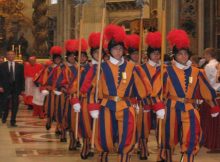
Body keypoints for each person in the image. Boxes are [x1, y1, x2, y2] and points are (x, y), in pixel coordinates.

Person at [78, 24, 161, 162]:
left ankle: (124, 158)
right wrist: (93, 106)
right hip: (106, 105)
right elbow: (92, 89)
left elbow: (143, 88)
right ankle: (103, 156)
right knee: (105, 135)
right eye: (115, 49)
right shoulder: (101, 68)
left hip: (126, 105)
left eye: (120, 49)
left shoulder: (132, 67)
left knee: (127, 135)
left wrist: (145, 101)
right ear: (109, 51)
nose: (118, 51)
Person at [154, 29, 220, 162]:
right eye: (180, 54)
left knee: (191, 138)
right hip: (171, 108)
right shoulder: (166, 71)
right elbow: (156, 90)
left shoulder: (197, 72)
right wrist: (159, 106)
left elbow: (206, 90)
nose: (183, 56)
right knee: (168, 138)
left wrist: (213, 106)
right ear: (175, 56)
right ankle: (165, 157)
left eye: (185, 54)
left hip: (190, 108)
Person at [0, 50, 25, 127]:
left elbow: (22, 78)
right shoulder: (2, 65)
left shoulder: (20, 66)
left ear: (14, 56)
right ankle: (4, 116)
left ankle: (13, 121)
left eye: (12, 54)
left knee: (15, 105)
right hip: (5, 87)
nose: (11, 56)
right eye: (9, 54)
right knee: (5, 104)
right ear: (6, 56)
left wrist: (22, 90)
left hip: (16, 87)